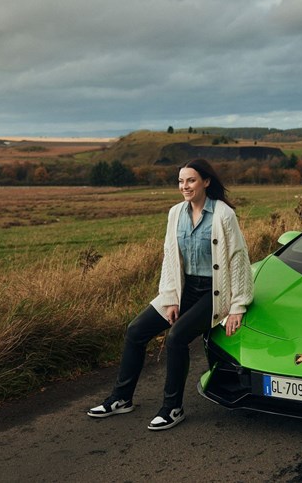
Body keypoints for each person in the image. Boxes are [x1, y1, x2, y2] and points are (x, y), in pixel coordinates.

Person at [87, 159, 253, 430]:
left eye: (190, 180)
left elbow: (238, 259)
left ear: (206, 182)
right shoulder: (175, 213)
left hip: (214, 291)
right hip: (183, 288)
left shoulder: (223, 214)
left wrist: (237, 306)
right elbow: (170, 258)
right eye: (180, 181)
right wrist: (170, 297)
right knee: (135, 331)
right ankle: (121, 399)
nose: (184, 186)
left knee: (176, 338)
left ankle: (172, 408)